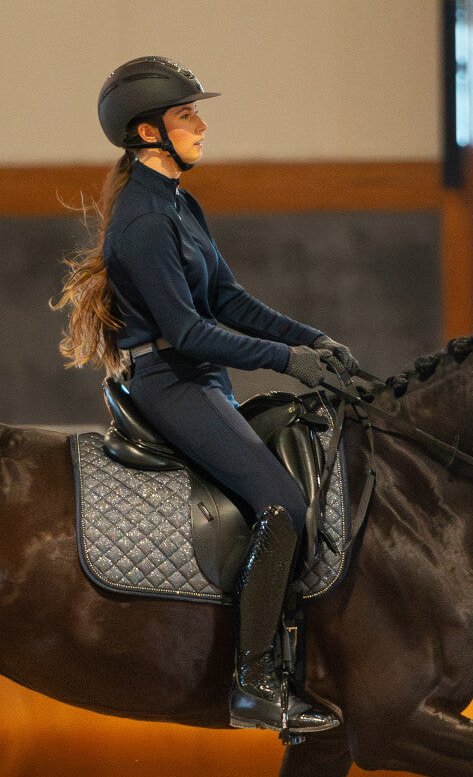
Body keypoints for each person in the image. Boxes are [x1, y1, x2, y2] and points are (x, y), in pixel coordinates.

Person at [55, 56, 356, 734]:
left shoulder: (178, 203)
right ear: (147, 130)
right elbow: (188, 330)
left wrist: (312, 340)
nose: (201, 124)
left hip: (197, 378)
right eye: (186, 114)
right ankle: (254, 682)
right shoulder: (142, 220)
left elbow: (225, 298)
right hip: (167, 382)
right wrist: (286, 361)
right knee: (280, 501)